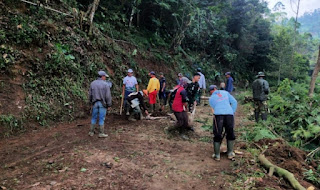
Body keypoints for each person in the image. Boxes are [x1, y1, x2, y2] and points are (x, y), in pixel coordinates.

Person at [209, 85, 237, 161]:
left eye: (211, 91)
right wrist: (232, 111)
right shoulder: (226, 93)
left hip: (218, 115)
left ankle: (217, 155)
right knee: (230, 131)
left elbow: (213, 108)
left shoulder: (211, 98)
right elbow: (234, 102)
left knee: (217, 133)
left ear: (214, 89)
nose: (211, 92)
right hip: (229, 114)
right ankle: (230, 153)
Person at [88, 71, 112, 138]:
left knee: (93, 117)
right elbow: (108, 96)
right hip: (102, 104)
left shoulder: (92, 83)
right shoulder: (105, 84)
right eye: (105, 77)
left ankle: (91, 132)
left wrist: (90, 102)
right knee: (101, 118)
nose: (105, 78)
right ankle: (101, 133)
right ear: (102, 76)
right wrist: (109, 105)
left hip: (95, 103)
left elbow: (90, 94)